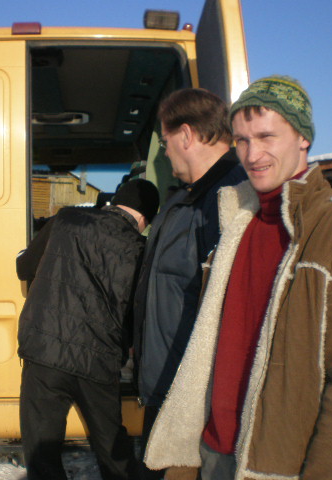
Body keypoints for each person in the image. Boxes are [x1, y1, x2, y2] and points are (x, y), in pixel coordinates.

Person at [143, 75, 332, 479]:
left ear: (303, 137)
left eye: (266, 137)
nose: (252, 153)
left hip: (276, 466)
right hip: (211, 450)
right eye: (242, 140)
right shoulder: (235, 222)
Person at [132, 88, 246, 478]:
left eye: (165, 142)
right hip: (166, 384)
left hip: (194, 399)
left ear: (185, 135)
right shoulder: (186, 198)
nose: (164, 153)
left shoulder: (231, 197)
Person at [17, 178, 160, 480]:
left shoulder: (67, 219)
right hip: (98, 360)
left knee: (42, 453)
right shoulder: (140, 249)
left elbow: (24, 267)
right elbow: (136, 312)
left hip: (45, 351)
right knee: (112, 449)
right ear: (145, 218)